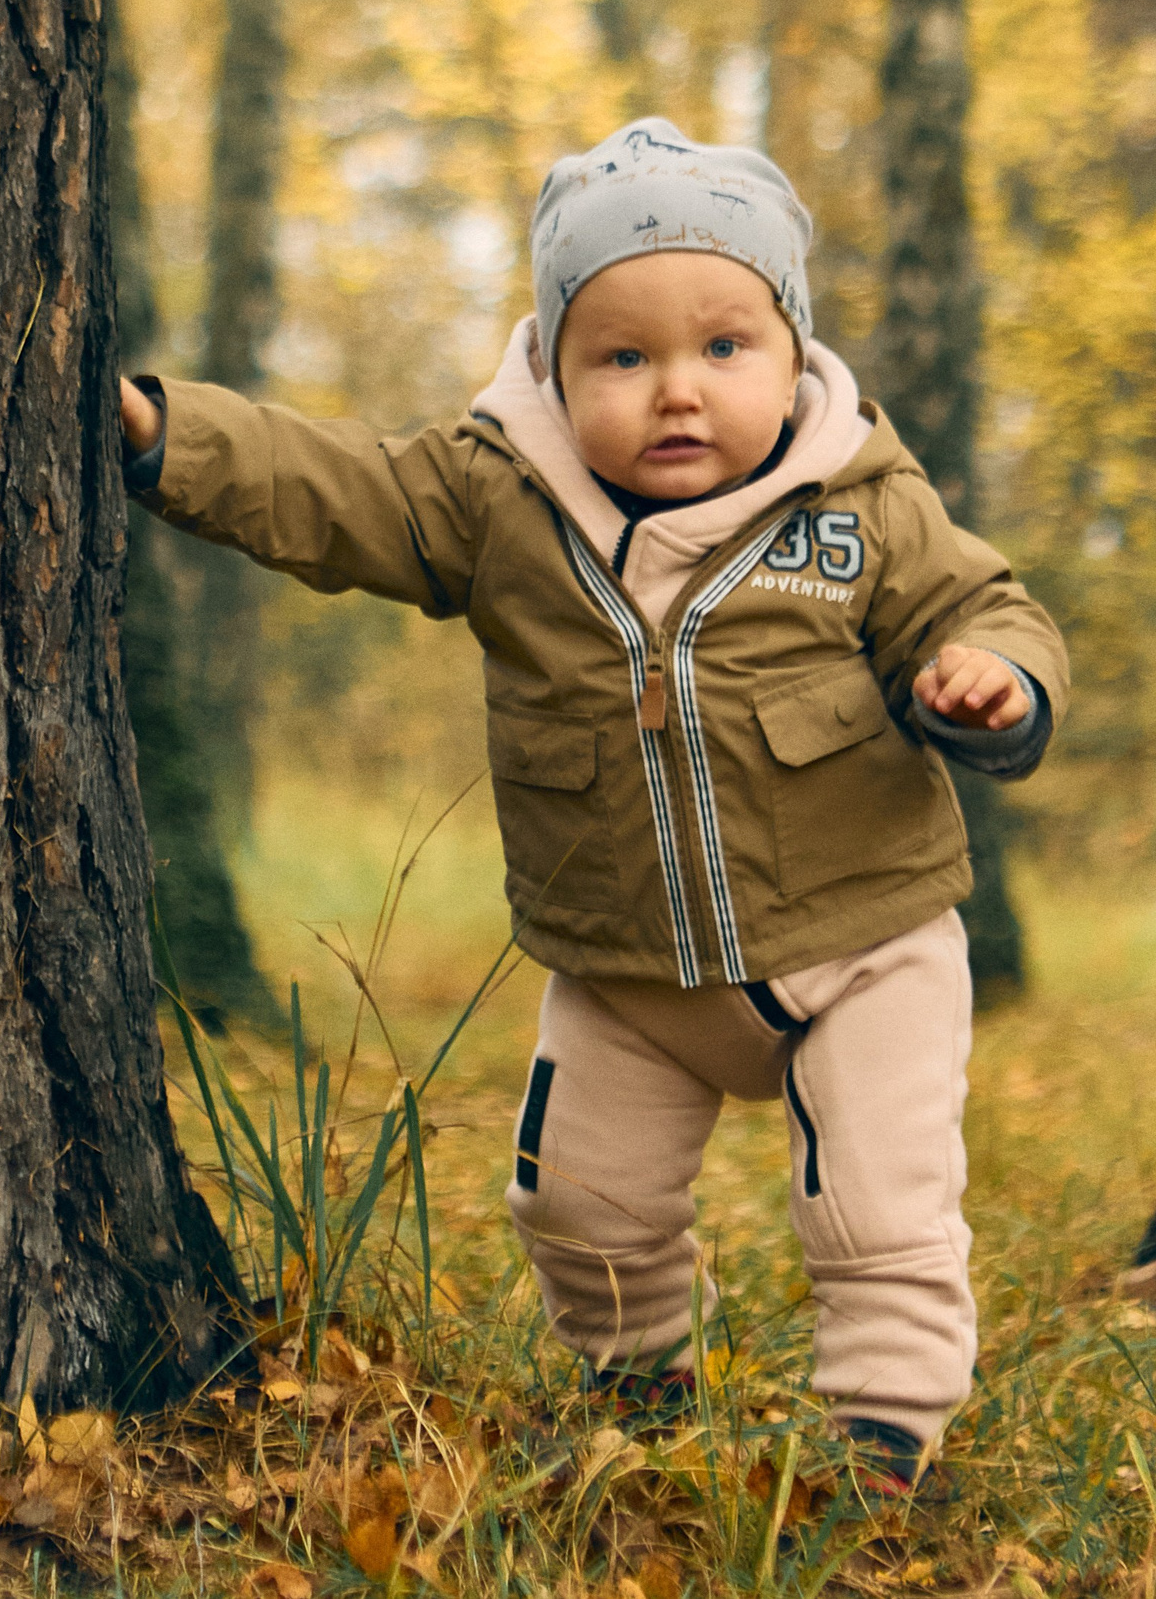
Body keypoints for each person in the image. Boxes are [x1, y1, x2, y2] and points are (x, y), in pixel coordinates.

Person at [115, 117, 1068, 1492]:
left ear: (792, 351)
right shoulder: (498, 497)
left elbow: (984, 603)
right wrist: (166, 434)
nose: (678, 392)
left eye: (724, 348)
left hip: (865, 944)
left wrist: (999, 680)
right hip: (626, 966)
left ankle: (883, 1437)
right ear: (556, 368)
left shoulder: (858, 499)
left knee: (878, 1207)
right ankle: (637, 1379)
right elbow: (335, 490)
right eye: (624, 357)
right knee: (577, 1201)